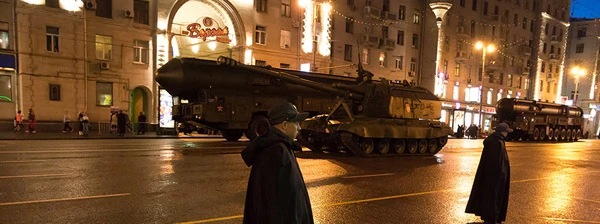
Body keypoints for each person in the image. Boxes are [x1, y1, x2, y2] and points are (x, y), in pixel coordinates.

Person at [241, 102, 313, 224]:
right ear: (284, 124)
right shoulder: (276, 152)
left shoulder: (281, 147)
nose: (299, 128)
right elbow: (276, 207)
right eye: (296, 123)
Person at [465, 122, 512, 224]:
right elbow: (497, 163)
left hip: (490, 178)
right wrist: (501, 177)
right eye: (506, 132)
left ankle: (490, 217)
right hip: (494, 179)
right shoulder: (497, 143)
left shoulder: (495, 141)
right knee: (493, 199)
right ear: (503, 132)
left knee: (489, 198)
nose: (507, 134)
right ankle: (491, 218)